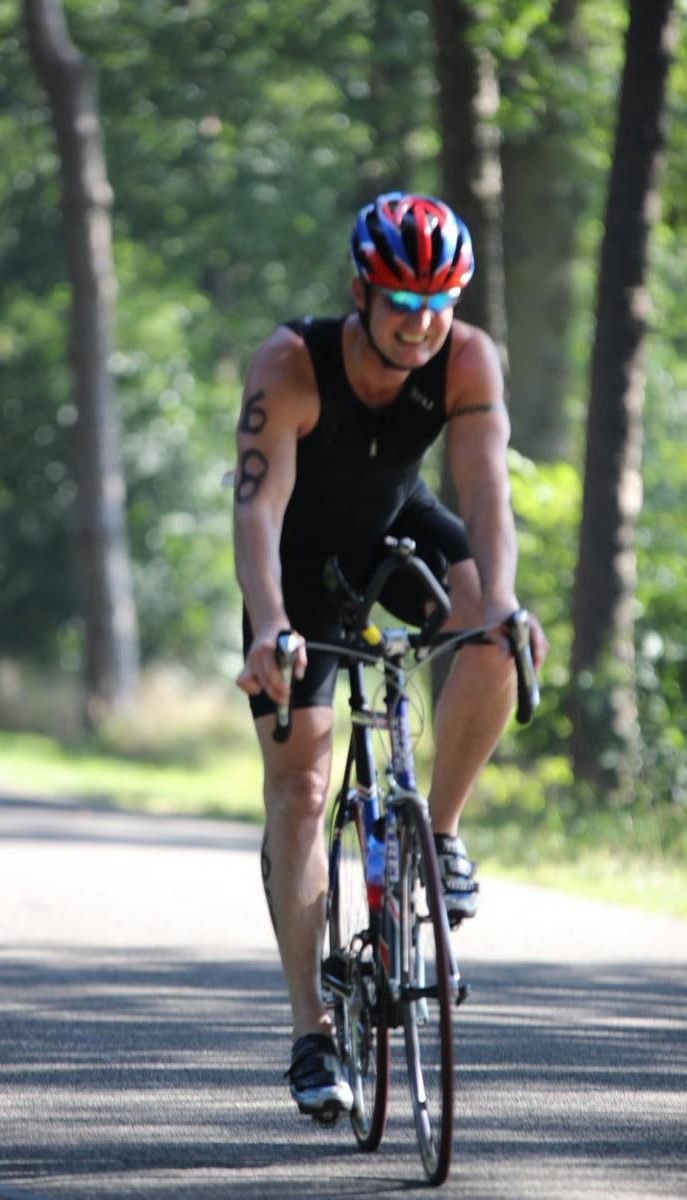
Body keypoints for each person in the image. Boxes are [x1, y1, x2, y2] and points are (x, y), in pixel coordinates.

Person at [232, 192, 547, 1119]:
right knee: (297, 787)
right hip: (298, 556)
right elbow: (256, 505)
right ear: (362, 291)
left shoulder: (467, 357)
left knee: (494, 632)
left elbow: (487, 491)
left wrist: (506, 598)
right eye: (401, 302)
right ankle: (309, 1034)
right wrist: (267, 625)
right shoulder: (292, 362)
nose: (420, 324)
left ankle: (439, 832)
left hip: (398, 530)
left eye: (439, 302)